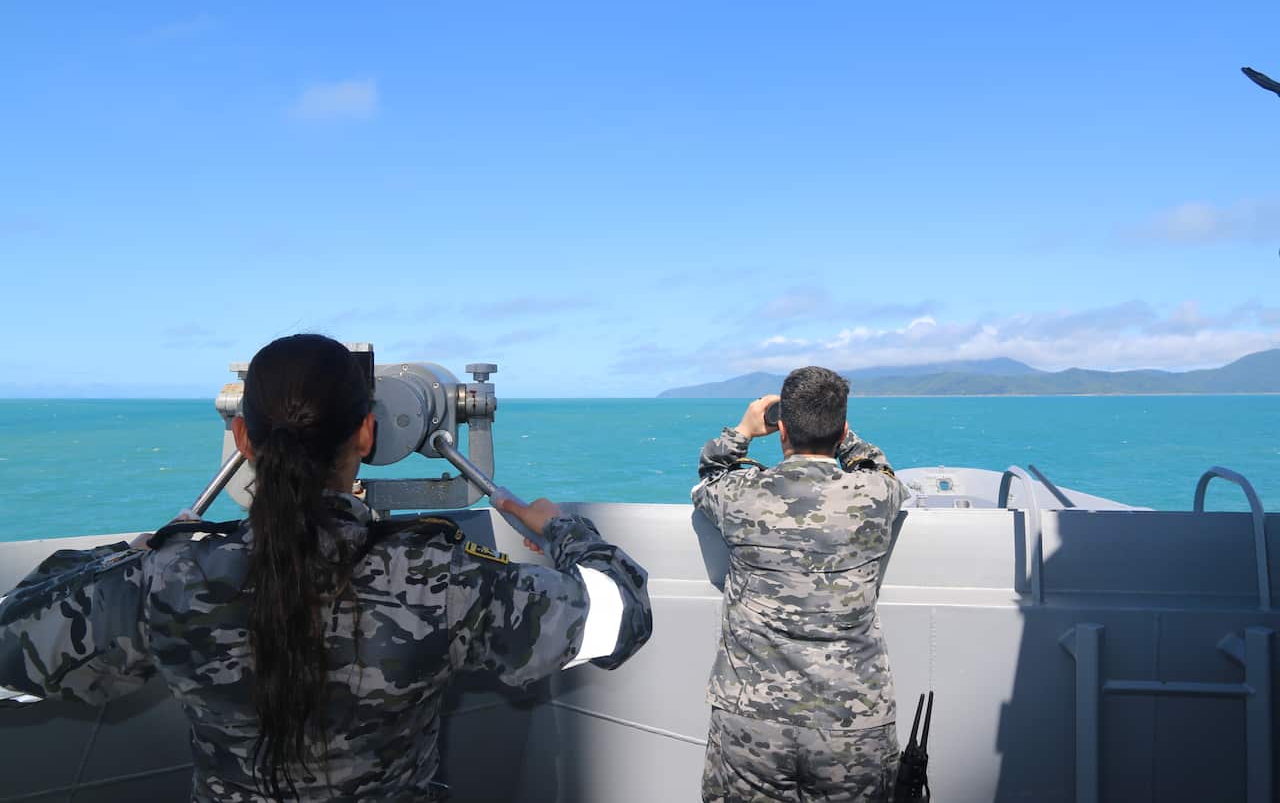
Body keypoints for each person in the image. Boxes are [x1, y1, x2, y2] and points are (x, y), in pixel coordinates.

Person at [0, 334, 652, 802]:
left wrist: (149, 547)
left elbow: (14, 643)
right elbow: (619, 613)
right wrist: (562, 530)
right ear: (367, 435)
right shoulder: (442, 579)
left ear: (242, 440)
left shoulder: (168, 579)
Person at [692, 366, 908, 803]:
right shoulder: (875, 496)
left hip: (751, 719)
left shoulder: (738, 495)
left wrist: (744, 430)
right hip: (853, 720)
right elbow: (878, 466)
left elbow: (711, 469)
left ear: (782, 429)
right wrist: (843, 436)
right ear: (843, 429)